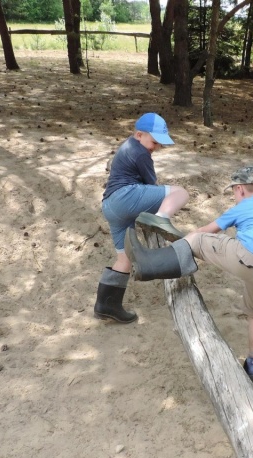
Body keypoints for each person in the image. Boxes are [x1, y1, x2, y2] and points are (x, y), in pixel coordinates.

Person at [124, 166, 253, 384]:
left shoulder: (244, 205)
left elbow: (207, 231)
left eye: (233, 192)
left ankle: (150, 263)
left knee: (197, 240)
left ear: (240, 189)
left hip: (246, 257)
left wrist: (184, 242)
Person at [94, 112, 189, 324]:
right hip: (124, 198)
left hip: (110, 206)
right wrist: (162, 209)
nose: (157, 147)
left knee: (124, 258)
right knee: (181, 192)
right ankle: (161, 219)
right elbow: (151, 185)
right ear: (139, 135)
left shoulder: (128, 146)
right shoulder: (141, 154)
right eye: (155, 142)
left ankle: (106, 305)